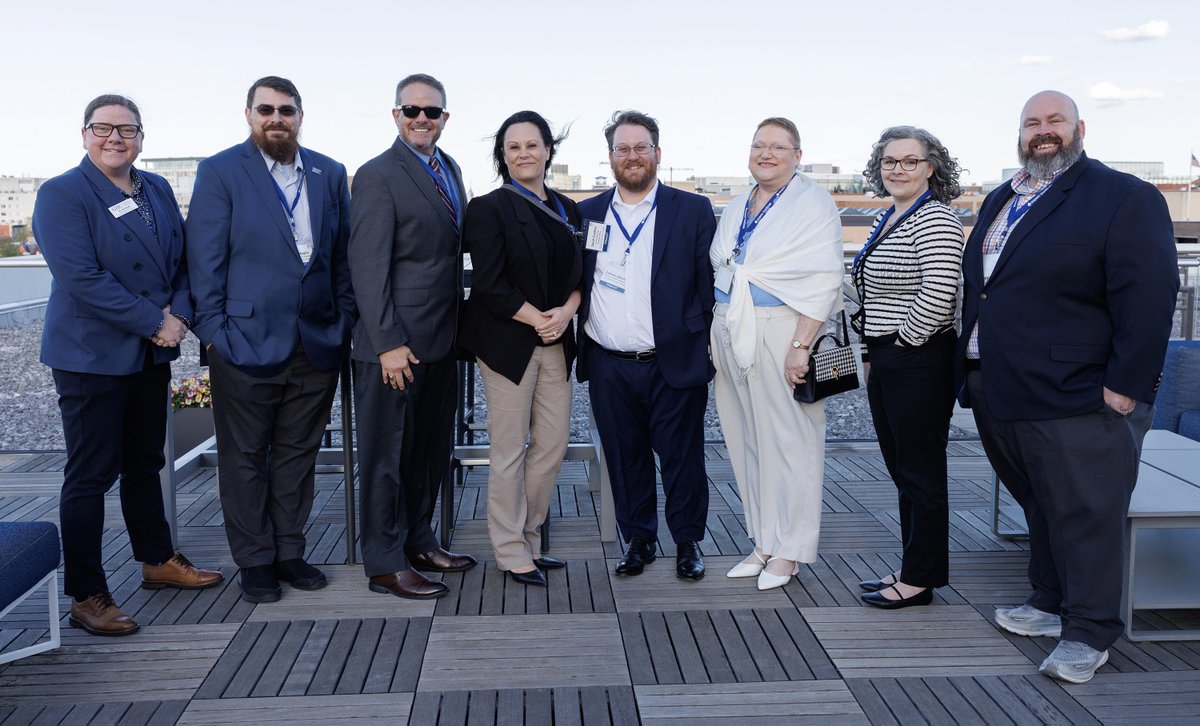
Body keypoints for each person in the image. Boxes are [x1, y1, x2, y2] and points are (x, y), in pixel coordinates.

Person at [957, 90, 1178, 683]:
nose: (1042, 130)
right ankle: (1049, 602)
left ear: (1079, 127)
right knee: (1040, 503)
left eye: (1054, 120)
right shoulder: (1005, 196)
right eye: (1032, 122)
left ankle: (1089, 630)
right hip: (1001, 387)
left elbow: (1149, 297)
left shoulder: (1124, 197)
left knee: (1087, 512)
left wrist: (1126, 387)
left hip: (1080, 392)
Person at [35, 94, 222, 636]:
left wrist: (180, 314)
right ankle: (87, 594)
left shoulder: (156, 188)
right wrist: (153, 320)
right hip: (91, 355)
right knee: (90, 474)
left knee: (145, 462)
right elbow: (82, 278)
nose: (115, 137)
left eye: (127, 129)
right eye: (103, 127)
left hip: (149, 351)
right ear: (85, 133)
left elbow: (184, 260)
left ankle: (158, 560)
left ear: (142, 136)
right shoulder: (62, 194)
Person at [187, 76, 356, 603]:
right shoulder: (220, 171)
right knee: (243, 457)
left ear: (300, 116)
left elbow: (343, 256)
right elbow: (204, 259)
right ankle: (255, 559)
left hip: (316, 343)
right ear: (248, 114)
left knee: (296, 455)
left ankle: (289, 549)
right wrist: (214, 333)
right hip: (243, 342)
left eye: (286, 110)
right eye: (266, 109)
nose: (276, 118)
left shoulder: (329, 173)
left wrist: (344, 318)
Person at [349, 73, 477, 600]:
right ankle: (383, 560)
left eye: (432, 112)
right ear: (395, 116)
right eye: (411, 110)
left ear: (445, 118)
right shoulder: (377, 175)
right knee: (386, 457)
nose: (421, 119)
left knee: (428, 449)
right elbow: (367, 264)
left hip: (440, 341)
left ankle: (420, 541)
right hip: (394, 347)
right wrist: (385, 341)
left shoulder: (450, 168)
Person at [577, 110, 715, 581]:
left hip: (673, 360)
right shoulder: (588, 213)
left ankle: (687, 540)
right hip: (608, 361)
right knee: (624, 454)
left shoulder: (691, 210)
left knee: (682, 457)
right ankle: (639, 538)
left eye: (641, 148)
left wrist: (706, 346)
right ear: (610, 157)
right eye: (623, 149)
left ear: (658, 153)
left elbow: (708, 284)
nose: (632, 156)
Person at [710, 117, 844, 591]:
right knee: (748, 441)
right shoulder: (738, 203)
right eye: (759, 145)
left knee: (792, 445)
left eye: (778, 147)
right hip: (731, 327)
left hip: (783, 331)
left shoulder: (812, 204)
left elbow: (825, 278)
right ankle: (764, 540)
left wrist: (801, 346)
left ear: (798, 155)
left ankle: (791, 550)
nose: (766, 154)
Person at [456, 111, 583, 587]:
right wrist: (539, 319)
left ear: (549, 150)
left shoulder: (570, 210)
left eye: (533, 145)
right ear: (502, 156)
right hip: (508, 344)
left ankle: (529, 537)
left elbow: (580, 278)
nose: (524, 153)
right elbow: (489, 283)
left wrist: (565, 312)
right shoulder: (487, 208)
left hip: (557, 341)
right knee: (509, 450)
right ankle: (510, 551)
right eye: (514, 147)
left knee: (550, 447)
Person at [851, 127, 965, 609]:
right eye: (889, 161)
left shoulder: (935, 219)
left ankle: (921, 579)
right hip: (890, 356)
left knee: (919, 471)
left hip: (917, 359)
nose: (897, 169)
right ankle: (914, 564)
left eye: (909, 161)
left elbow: (940, 291)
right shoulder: (892, 215)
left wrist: (902, 341)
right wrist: (876, 348)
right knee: (903, 469)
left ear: (931, 167)